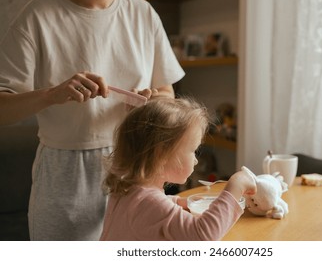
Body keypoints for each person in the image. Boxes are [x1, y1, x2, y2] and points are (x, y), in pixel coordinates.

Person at [0, 0, 184, 240]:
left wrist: (152, 102)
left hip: (135, 165)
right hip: (66, 176)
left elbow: (166, 93)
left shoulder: (144, 14)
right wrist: (52, 95)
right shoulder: (38, 16)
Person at [99, 97, 257, 241]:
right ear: (162, 154)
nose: (196, 160)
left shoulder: (128, 189)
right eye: (193, 150)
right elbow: (203, 235)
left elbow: (151, 209)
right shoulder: (150, 202)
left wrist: (178, 201)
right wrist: (235, 187)